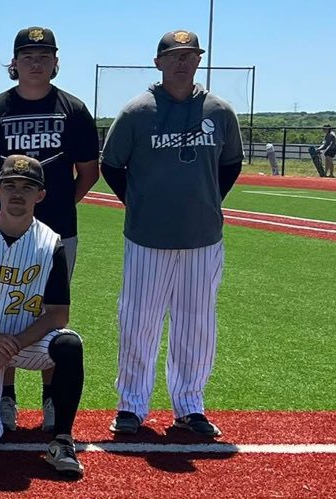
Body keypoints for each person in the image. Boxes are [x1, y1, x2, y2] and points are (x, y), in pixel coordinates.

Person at [101, 30, 243, 438]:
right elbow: (112, 166)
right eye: (174, 55)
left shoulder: (219, 110)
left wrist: (207, 200)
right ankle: (130, 406)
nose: (182, 62)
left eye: (190, 55)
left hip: (203, 237)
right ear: (158, 61)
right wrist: (140, 202)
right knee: (138, 322)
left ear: (199, 60)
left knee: (196, 324)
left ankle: (189, 405)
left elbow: (229, 165)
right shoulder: (137, 111)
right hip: (147, 237)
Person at [0, 26, 100, 432]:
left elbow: (89, 174)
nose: (36, 62)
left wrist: (52, 208)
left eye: (44, 55)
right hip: (0, 234)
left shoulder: (74, 110)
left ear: (56, 62)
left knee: (49, 314)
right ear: (15, 63)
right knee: (0, 310)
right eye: (27, 55)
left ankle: (51, 399)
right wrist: (5, 213)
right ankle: (5, 398)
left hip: (57, 230)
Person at [0, 155, 86, 479]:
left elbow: (58, 315)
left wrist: (8, 347)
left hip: (27, 341)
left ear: (40, 195)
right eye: (10, 186)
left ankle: (62, 440)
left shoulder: (50, 243)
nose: (18, 194)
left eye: (28, 187)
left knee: (68, 345)